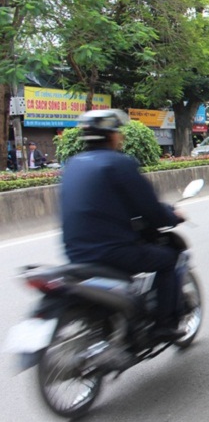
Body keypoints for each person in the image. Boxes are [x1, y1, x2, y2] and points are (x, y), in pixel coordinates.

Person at [61, 109, 185, 342]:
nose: (121, 136)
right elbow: (151, 209)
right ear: (111, 135)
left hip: (76, 254)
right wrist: (172, 216)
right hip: (114, 252)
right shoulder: (119, 163)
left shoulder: (72, 165)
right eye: (118, 132)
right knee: (169, 259)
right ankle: (163, 326)